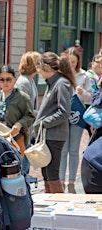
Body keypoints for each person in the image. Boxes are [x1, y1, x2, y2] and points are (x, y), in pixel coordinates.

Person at [33, 51, 74, 193]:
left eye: (38, 67)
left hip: (54, 136)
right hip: (47, 135)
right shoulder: (52, 83)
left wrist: (44, 123)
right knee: (46, 174)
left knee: (52, 174)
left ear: (46, 67)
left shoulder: (61, 83)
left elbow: (64, 112)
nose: (37, 71)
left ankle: (58, 204)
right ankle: (49, 203)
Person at [0, 65, 35, 157]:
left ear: (14, 79)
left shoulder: (22, 97)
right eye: (2, 80)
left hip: (15, 139)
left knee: (14, 168)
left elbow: (30, 116)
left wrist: (19, 124)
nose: (5, 83)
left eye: (8, 79)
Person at [59, 47, 92, 193]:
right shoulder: (61, 75)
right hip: (63, 116)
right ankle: (61, 181)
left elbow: (91, 97)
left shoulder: (84, 75)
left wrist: (82, 92)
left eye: (74, 62)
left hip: (77, 116)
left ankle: (71, 182)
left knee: (73, 150)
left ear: (78, 61)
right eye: (69, 62)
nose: (72, 64)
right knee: (63, 150)